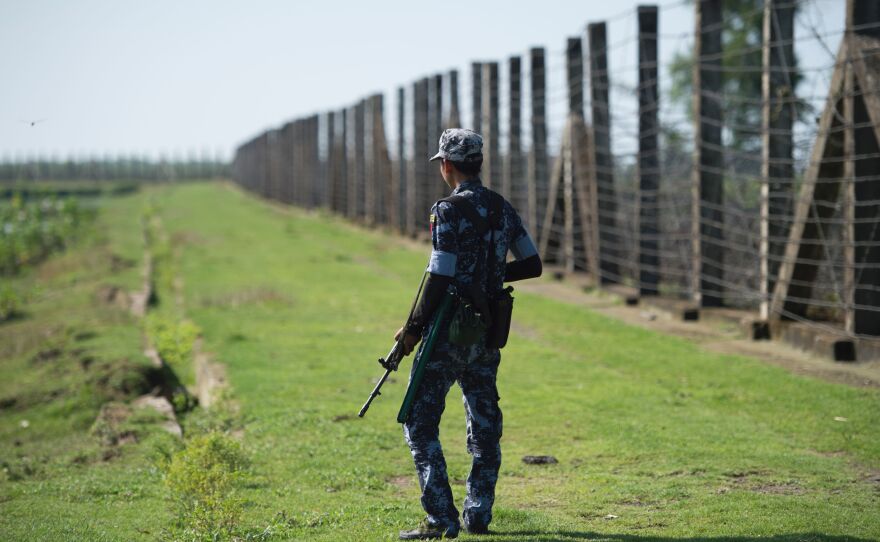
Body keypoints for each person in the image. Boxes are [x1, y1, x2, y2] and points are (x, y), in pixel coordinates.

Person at [395, 128, 542, 540]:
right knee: (484, 421)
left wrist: (412, 331)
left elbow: (440, 275)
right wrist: (490, 276)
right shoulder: (502, 208)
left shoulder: (446, 211)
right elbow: (532, 264)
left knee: (420, 422)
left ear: (447, 165)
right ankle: (478, 514)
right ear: (477, 164)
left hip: (447, 330)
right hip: (485, 331)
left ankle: (441, 520)